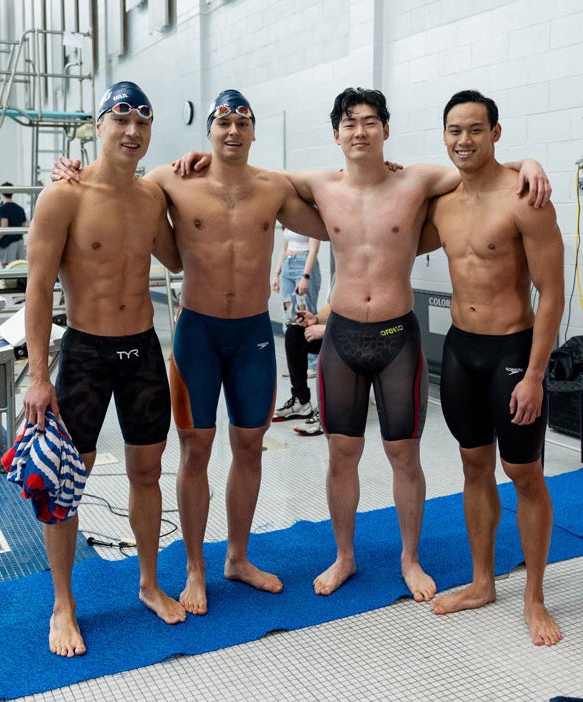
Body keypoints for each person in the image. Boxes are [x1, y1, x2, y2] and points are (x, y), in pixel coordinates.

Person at [173, 87, 551, 601]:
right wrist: (205, 156)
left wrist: (529, 161)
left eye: (370, 122)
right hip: (344, 334)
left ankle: (410, 559)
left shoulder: (419, 180)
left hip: (398, 335)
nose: (359, 131)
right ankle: (344, 556)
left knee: (404, 454)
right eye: (349, 124)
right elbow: (248, 174)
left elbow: (481, 170)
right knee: (341, 454)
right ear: (335, 134)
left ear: (386, 130)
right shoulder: (317, 185)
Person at [51, 88, 328, 616]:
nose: (231, 131)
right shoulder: (169, 181)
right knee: (193, 451)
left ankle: (239, 559)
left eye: (242, 122)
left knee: (250, 447)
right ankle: (195, 568)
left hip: (252, 336)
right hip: (196, 333)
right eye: (221, 122)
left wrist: (372, 174)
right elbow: (108, 181)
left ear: (253, 131)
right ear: (207, 133)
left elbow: (332, 218)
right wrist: (70, 169)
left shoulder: (273, 188)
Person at [25, 81, 187, 658]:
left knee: (148, 471)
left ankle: (148, 583)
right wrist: (39, 375)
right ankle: (63, 604)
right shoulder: (63, 196)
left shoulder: (150, 198)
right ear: (98, 126)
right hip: (87, 354)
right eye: (121, 119)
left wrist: (184, 176)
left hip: (141, 349)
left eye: (143, 122)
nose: (132, 131)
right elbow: (39, 289)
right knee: (68, 483)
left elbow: (174, 255)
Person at [419, 90, 564, 647]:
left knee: (524, 474)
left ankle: (535, 597)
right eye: (454, 130)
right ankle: (483, 582)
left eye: (475, 129)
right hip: (461, 351)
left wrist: (534, 374)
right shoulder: (444, 202)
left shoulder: (526, 196)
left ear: (496, 133)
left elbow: (551, 293)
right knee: (473, 466)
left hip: (511, 352)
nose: (464, 140)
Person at [271, 226, 321, 382]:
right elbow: (283, 248)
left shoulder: (311, 217)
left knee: (306, 313)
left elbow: (314, 250)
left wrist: (305, 276)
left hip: (304, 264)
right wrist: (276, 274)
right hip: (288, 264)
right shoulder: (291, 220)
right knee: (288, 315)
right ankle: (295, 363)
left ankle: (312, 364)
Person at [285, 300, 331, 436]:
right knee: (294, 333)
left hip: (362, 336)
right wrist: (315, 319)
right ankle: (301, 400)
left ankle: (328, 411)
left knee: (334, 340)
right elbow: (331, 307)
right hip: (337, 329)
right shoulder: (338, 278)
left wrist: (328, 329)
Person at [0, 182, 27, 265]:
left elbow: (4, 227)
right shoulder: (19, 208)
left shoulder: (3, 208)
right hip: (19, 242)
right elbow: (25, 225)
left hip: (8, 243)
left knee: (7, 269)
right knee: (19, 269)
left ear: (1, 193)